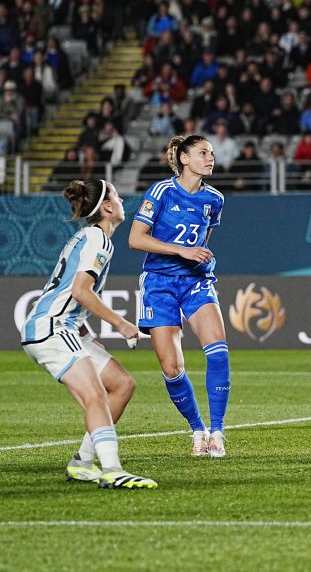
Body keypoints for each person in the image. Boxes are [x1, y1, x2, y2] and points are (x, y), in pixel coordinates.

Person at [20, 179, 156, 489]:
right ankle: (112, 470)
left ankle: (82, 463)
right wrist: (121, 325)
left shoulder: (89, 237)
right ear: (107, 207)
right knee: (95, 395)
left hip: (64, 328)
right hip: (52, 329)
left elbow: (69, 289)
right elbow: (81, 291)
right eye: (117, 196)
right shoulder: (99, 240)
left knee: (121, 384)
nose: (121, 201)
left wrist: (86, 335)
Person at [128, 134, 230, 458]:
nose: (210, 158)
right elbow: (136, 239)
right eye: (203, 152)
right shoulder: (160, 192)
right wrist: (181, 250)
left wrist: (202, 256)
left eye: (211, 153)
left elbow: (203, 240)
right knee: (172, 368)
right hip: (159, 283)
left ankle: (217, 433)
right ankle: (197, 430)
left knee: (218, 350)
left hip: (195, 281)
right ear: (184, 158)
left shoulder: (214, 199)